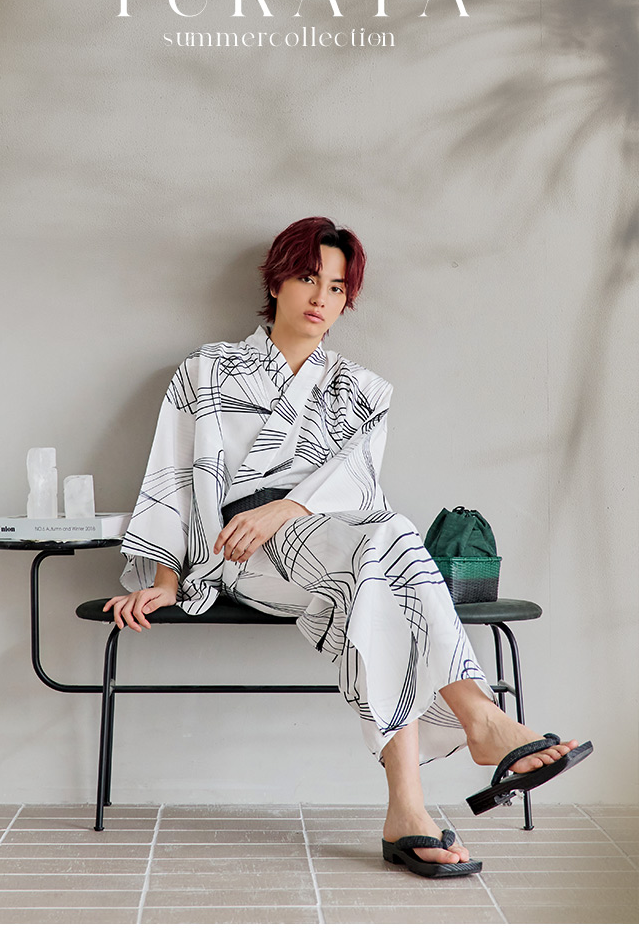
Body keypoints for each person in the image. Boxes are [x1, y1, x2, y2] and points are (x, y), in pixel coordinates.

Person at [104, 216, 592, 878]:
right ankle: (477, 721)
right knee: (387, 546)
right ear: (277, 281)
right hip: (240, 552)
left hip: (337, 544)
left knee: (381, 554)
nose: (321, 298)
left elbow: (357, 487)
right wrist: (165, 580)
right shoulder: (207, 371)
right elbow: (172, 476)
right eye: (309, 278)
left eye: (337, 287)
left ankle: (412, 806)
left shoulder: (360, 389)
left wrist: (287, 506)